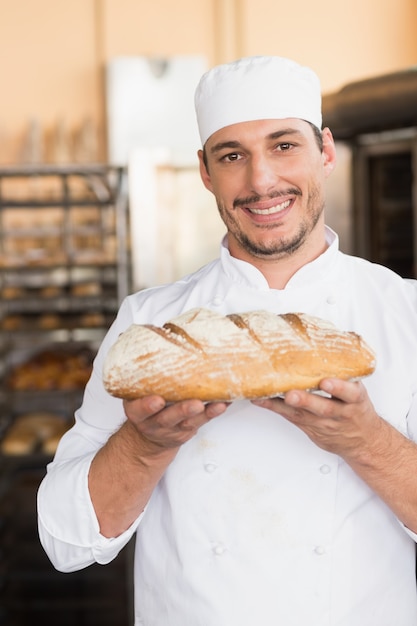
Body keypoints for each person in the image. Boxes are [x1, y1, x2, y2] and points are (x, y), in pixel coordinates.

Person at [37, 56, 417, 625]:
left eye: (284, 145)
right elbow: (66, 541)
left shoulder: (405, 313)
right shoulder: (149, 327)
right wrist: (145, 446)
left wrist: (366, 442)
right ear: (206, 172)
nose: (261, 181)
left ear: (327, 153)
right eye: (232, 155)